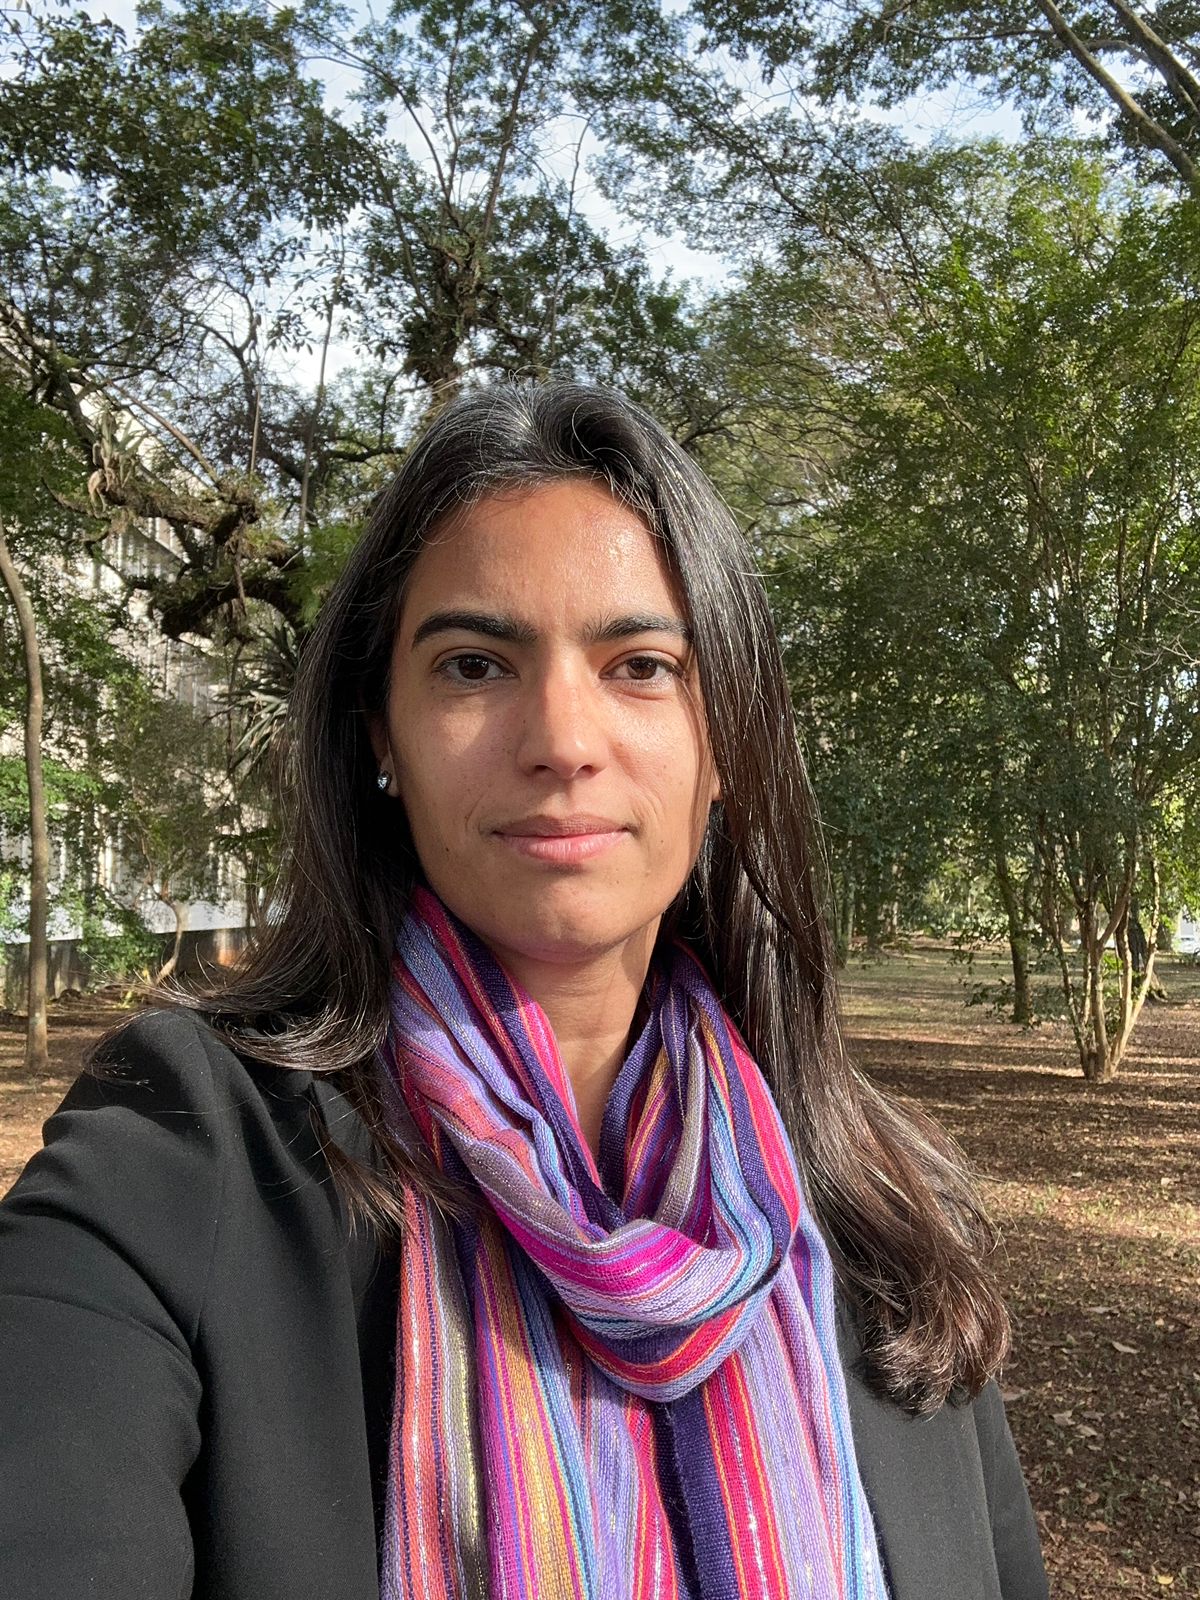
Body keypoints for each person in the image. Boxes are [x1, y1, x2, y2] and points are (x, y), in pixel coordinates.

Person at [0, 382, 1047, 1600]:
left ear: (727, 742)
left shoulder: (877, 1205)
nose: (561, 737)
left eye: (641, 665)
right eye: (474, 664)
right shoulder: (186, 1150)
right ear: (381, 736)